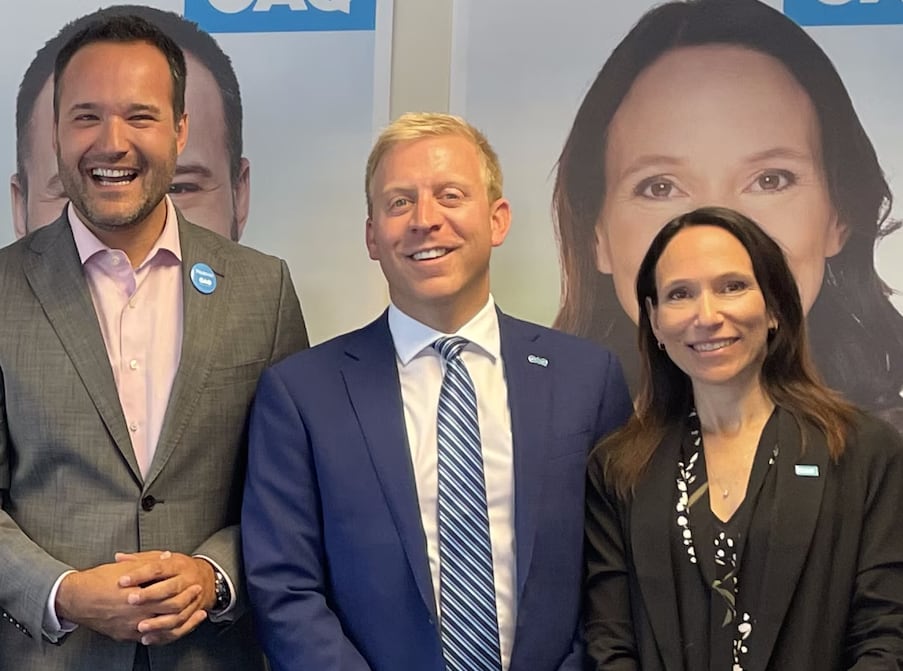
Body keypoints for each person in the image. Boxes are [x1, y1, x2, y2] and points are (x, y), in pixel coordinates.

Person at [241, 112, 632, 671]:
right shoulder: (302, 395)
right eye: (399, 202)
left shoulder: (586, 379)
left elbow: (614, 577)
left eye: (450, 195)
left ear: (497, 220)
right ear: (372, 235)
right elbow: (284, 589)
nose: (425, 220)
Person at [0, 14, 307, 671]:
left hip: (210, 656)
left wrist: (212, 574)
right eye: (86, 117)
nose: (112, 143)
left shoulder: (263, 290)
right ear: (55, 132)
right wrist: (62, 592)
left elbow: (291, 495)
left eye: (139, 116)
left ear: (179, 129)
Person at [552, 0, 903, 425]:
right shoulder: (546, 440)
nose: (716, 241)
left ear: (839, 216)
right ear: (597, 236)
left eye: (770, 180)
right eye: (660, 187)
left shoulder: (885, 450)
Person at [584, 206, 903, 670]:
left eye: (731, 286)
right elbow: (609, 642)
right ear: (654, 320)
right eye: (680, 294)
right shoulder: (619, 469)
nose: (707, 315)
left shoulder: (863, 452)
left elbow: (887, 634)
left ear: (773, 306)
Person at [12, 4, 250, 241]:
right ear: (19, 207)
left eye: (178, 188)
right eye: (67, 191)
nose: (113, 145)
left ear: (239, 195)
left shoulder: (261, 268)